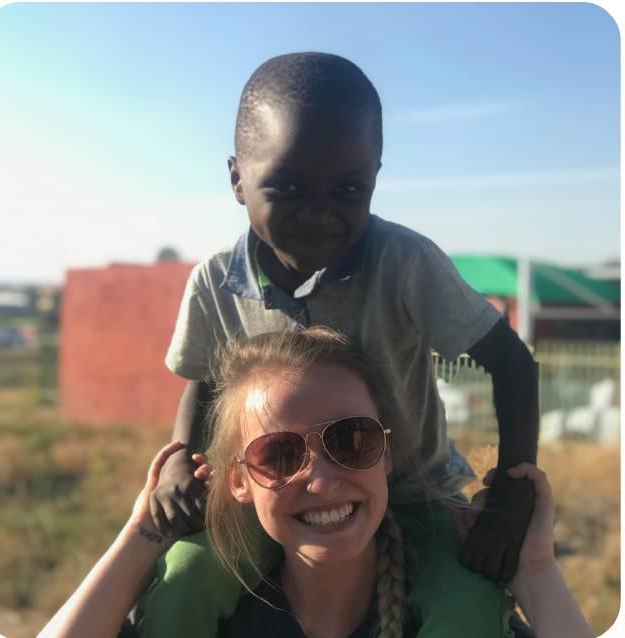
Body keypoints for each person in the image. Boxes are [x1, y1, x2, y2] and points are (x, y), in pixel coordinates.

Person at [149, 52, 540, 635]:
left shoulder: (405, 263)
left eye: (348, 188)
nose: (318, 212)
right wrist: (181, 458)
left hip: (414, 497)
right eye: (287, 186)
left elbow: (511, 362)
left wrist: (511, 496)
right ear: (237, 178)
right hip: (277, 496)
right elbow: (206, 379)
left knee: (470, 606)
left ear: (376, 176)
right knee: (181, 581)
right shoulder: (214, 280)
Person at [37, 329, 592, 638]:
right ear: (238, 482)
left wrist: (537, 576)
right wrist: (141, 536)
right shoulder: (211, 620)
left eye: (352, 440)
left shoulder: (452, 616)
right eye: (278, 454)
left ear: (388, 451)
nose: (323, 481)